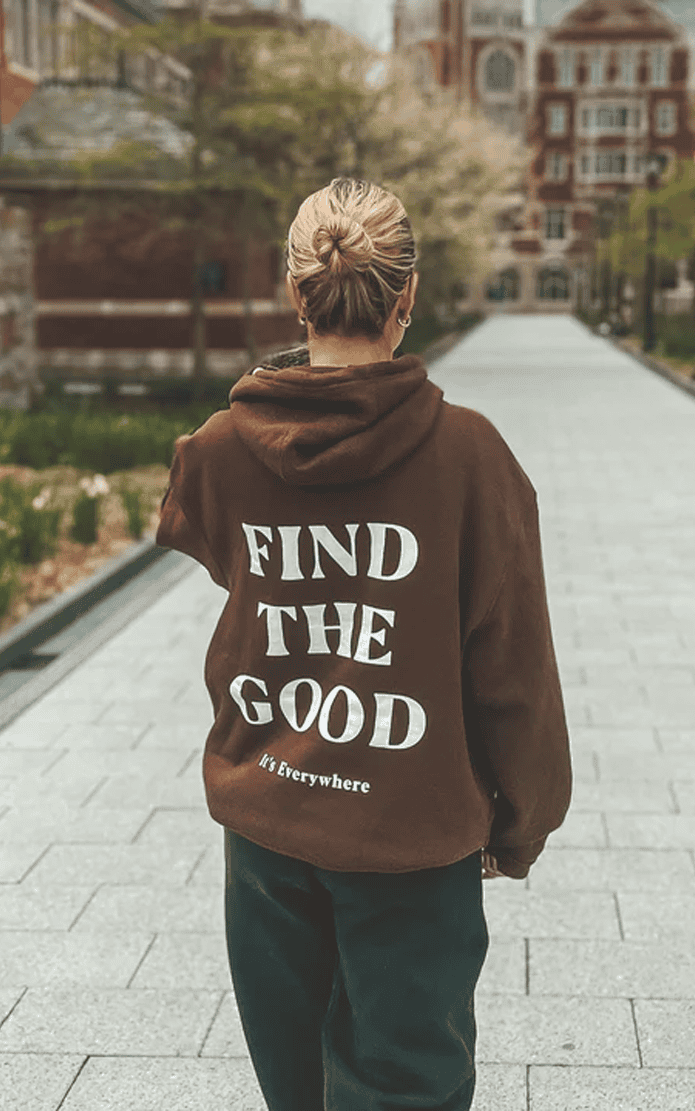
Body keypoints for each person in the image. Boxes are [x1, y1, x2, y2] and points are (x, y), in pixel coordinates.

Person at [156, 177, 571, 1111]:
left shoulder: (219, 448)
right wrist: (524, 821)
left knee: (296, 1085)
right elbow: (514, 675)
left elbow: (225, 554)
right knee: (407, 1084)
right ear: (407, 297)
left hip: (265, 826)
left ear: (296, 292)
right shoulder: (471, 457)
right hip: (413, 839)